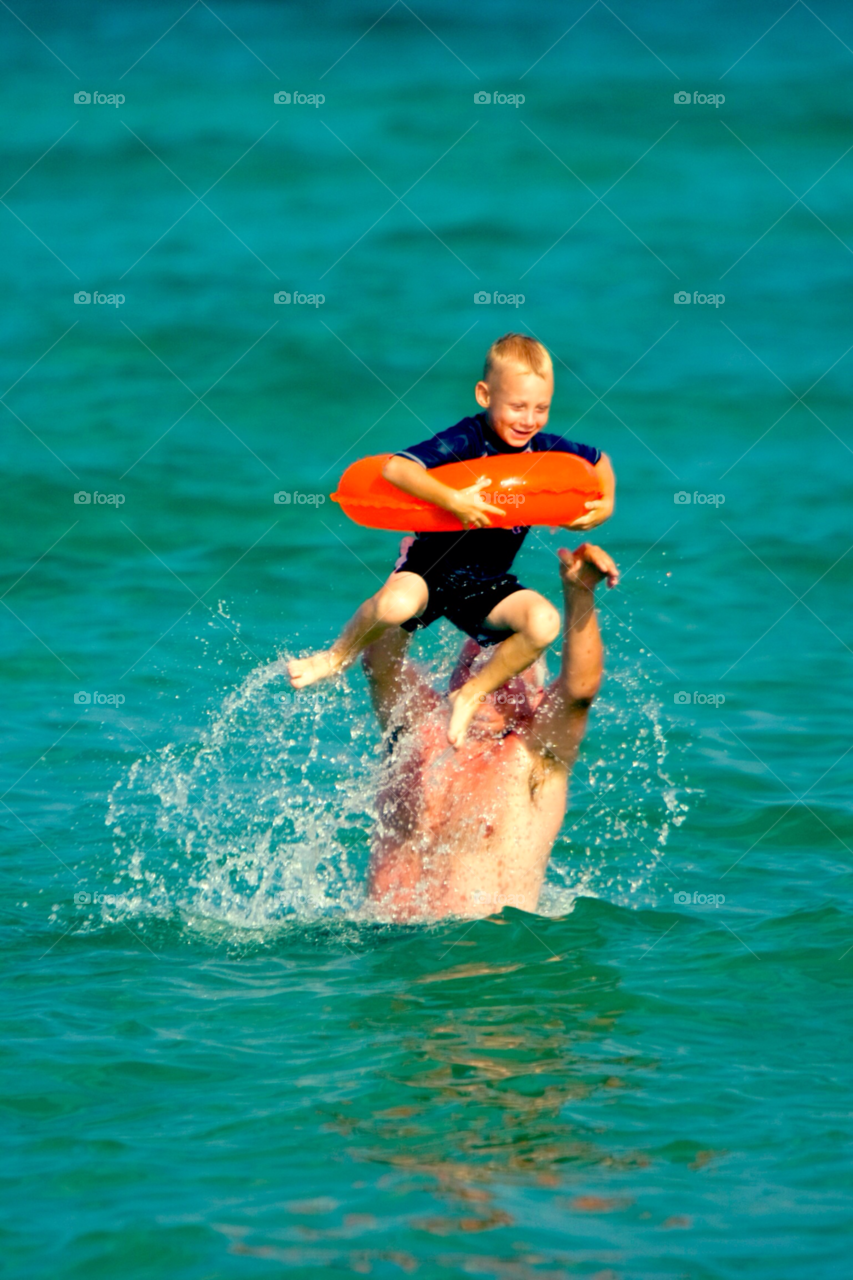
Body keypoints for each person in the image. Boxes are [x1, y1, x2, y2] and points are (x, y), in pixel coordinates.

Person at [288, 334, 616, 747]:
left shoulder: (542, 451)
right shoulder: (467, 440)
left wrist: (605, 505)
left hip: (487, 584)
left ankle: (472, 692)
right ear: (485, 394)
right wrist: (453, 500)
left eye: (541, 408)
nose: (529, 419)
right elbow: (397, 469)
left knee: (544, 622)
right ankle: (334, 657)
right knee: (394, 605)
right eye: (517, 406)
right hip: (431, 568)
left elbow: (598, 461)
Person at [362, 541, 619, 921]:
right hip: (381, 953)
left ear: (537, 697)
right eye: (471, 664)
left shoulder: (534, 757)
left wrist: (579, 593)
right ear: (452, 677)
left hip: (478, 962)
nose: (483, 678)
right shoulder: (418, 727)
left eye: (505, 671)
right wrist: (416, 573)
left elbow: (580, 690)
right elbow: (379, 659)